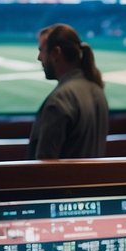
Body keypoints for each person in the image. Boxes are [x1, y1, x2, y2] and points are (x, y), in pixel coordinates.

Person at [27, 24, 109, 158]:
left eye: (42, 50)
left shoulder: (61, 99)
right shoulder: (97, 90)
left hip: (64, 179)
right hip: (92, 178)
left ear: (56, 53)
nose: (39, 57)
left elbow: (45, 165)